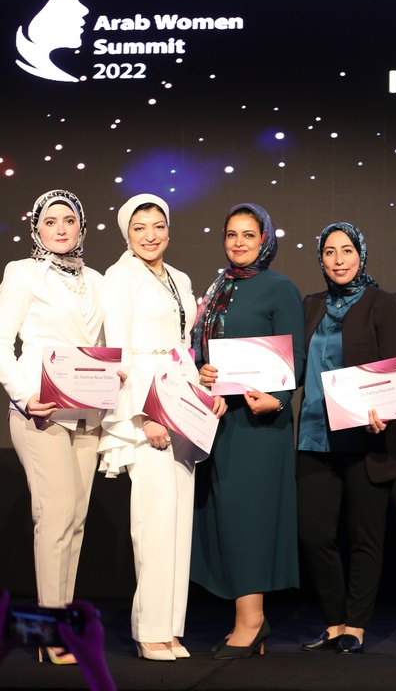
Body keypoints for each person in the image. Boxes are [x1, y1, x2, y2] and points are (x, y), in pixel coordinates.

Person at [99, 194, 224, 662]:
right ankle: (148, 629)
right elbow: (118, 353)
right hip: (147, 409)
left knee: (177, 524)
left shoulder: (180, 278)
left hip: (181, 404)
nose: (150, 235)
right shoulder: (119, 278)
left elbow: (181, 346)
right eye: (139, 228)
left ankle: (170, 628)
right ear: (126, 234)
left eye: (158, 226)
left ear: (169, 229)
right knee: (153, 522)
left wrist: (202, 395)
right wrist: (144, 414)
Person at [297, 222, 396, 655]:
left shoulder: (383, 302)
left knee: (365, 536)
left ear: (361, 255)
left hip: (367, 437)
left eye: (347, 250)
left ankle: (357, 626)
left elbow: (393, 368)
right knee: (314, 533)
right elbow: (293, 366)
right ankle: (334, 622)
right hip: (315, 435)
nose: (339, 259)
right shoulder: (310, 304)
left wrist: (382, 410)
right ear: (321, 259)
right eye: (329, 252)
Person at [192, 203, 305, 659]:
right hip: (220, 421)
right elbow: (202, 353)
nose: (239, 243)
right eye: (231, 234)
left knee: (250, 518)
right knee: (226, 517)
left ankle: (252, 621)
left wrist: (277, 398)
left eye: (249, 235)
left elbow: (295, 357)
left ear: (265, 240)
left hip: (260, 423)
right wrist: (203, 370)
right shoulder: (218, 288)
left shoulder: (280, 288)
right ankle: (246, 618)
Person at [0, 190, 104, 666]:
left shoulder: (96, 280)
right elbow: (2, 342)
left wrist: (117, 373)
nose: (60, 228)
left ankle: (60, 624)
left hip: (87, 412)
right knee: (55, 515)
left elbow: (102, 344)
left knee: (74, 521)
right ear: (37, 228)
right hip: (39, 411)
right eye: (50, 221)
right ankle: (48, 630)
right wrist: (24, 397)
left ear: (81, 227)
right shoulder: (23, 272)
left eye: (69, 220)